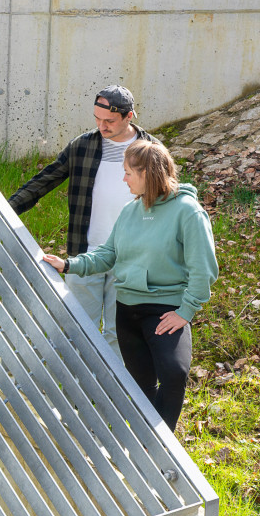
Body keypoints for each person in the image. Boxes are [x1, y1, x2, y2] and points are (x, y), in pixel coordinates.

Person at [42, 140, 218, 430]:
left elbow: (204, 269)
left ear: (148, 173)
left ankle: (162, 444)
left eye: (128, 173)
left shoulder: (188, 212)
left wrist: (186, 311)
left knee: (174, 373)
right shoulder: (130, 211)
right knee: (141, 385)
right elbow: (108, 254)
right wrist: (69, 264)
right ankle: (148, 444)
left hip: (164, 310)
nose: (123, 179)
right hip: (127, 311)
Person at [9, 86, 158, 355]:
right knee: (79, 328)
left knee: (120, 333)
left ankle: (114, 391)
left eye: (109, 121)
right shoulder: (83, 146)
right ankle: (77, 387)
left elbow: (168, 202)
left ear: (129, 116)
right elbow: (46, 179)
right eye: (97, 119)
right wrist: (7, 209)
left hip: (132, 259)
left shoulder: (152, 151)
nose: (102, 126)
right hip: (84, 253)